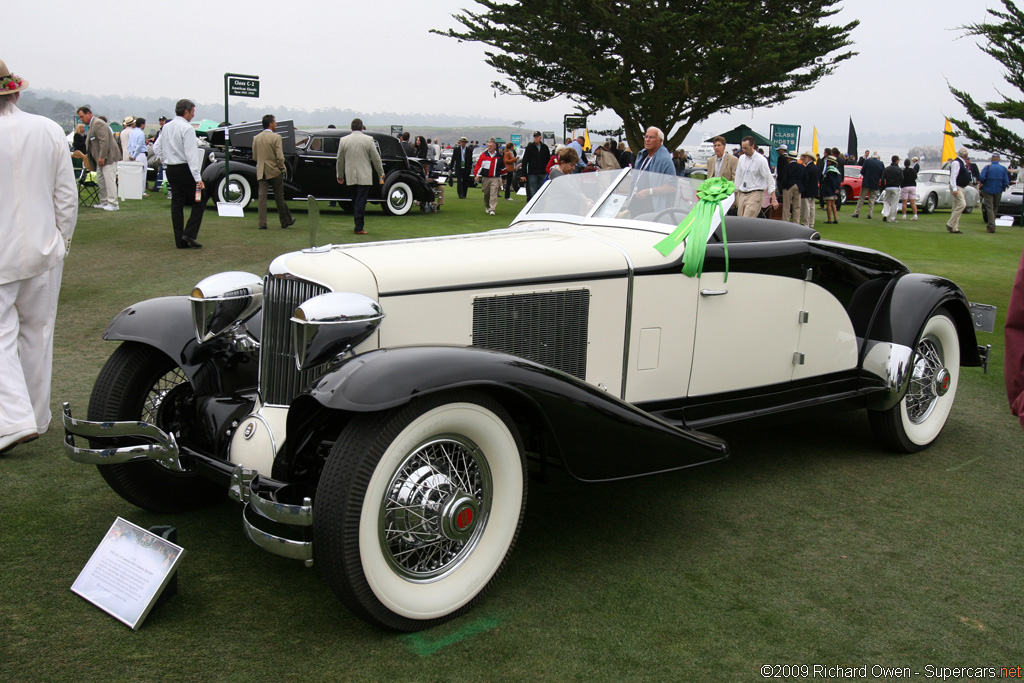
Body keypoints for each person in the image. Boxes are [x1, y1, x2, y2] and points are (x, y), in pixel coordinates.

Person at [0, 59, 78, 454]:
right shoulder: (48, 129)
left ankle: (14, 420)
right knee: (37, 333)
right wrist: (61, 242)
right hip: (44, 249)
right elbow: (67, 195)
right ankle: (34, 415)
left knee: (3, 337)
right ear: (14, 91)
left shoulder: (46, 129)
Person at [153, 99, 206, 248]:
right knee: (201, 199)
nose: (193, 115)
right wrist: (198, 178)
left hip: (171, 168)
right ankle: (189, 233)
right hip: (184, 168)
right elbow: (191, 155)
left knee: (177, 203)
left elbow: (158, 147)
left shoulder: (167, 126)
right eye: (193, 112)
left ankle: (179, 240)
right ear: (187, 111)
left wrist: (165, 161)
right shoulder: (187, 128)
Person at [335, 118, 384, 235]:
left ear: (351, 127)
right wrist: (381, 173)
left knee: (355, 200)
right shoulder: (368, 140)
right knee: (361, 201)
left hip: (350, 175)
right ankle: (358, 226)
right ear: (362, 127)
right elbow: (376, 158)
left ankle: (358, 224)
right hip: (364, 175)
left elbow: (339, 160)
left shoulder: (344, 140)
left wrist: (340, 175)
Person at [253, 114, 295, 230]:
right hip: (274, 171)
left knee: (262, 197)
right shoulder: (276, 137)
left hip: (261, 170)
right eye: (275, 123)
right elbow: (280, 157)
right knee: (279, 197)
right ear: (271, 124)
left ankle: (262, 223)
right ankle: (285, 221)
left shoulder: (256, 138)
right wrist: (282, 168)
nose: (276, 124)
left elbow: (255, 156)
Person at [76, 105, 120, 211]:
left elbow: (104, 141)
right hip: (99, 159)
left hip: (108, 157)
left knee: (109, 180)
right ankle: (104, 201)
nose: (81, 119)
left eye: (82, 117)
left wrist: (102, 157)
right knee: (100, 179)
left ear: (89, 114)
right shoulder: (92, 125)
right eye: (80, 117)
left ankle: (113, 203)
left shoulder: (98, 123)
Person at [733, 135, 778, 218]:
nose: (744, 150)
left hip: (755, 193)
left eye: (746, 148)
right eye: (742, 148)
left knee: (747, 220)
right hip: (742, 194)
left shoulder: (761, 160)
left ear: (752, 146)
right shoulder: (742, 158)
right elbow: (738, 177)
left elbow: (769, 178)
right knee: (740, 220)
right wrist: (734, 196)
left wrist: (774, 198)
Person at [979, 153, 1010, 233]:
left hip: (988, 189)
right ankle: (992, 224)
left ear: (992, 159)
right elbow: (1006, 181)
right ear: (999, 159)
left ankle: (991, 226)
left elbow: (982, 178)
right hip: (998, 190)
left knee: (989, 207)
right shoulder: (1003, 168)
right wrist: (1002, 188)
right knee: (995, 207)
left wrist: (984, 183)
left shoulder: (987, 167)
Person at [473, 138, 503, 215]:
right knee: (486, 194)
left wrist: (502, 178)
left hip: (495, 178)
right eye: (488, 146)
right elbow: (479, 165)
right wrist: (476, 175)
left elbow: (502, 167)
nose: (489, 147)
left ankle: (492, 209)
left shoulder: (499, 156)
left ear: (495, 147)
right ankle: (487, 206)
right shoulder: (484, 155)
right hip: (485, 177)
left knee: (493, 193)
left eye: (491, 146)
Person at [946, 147, 971, 234]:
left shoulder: (961, 163)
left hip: (960, 186)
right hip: (957, 186)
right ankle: (950, 223)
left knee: (956, 206)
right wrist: (954, 188)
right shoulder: (957, 162)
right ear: (965, 154)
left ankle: (954, 228)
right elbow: (953, 176)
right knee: (962, 204)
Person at [851, 152, 884, 219]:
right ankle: (870, 214)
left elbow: (862, 171)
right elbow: (882, 174)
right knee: (872, 199)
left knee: (861, 198)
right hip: (875, 183)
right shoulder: (881, 163)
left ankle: (857, 213)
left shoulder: (867, 161)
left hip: (866, 182)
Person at [520, 131, 551, 200]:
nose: (536, 138)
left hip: (543, 172)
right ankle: (533, 206)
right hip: (532, 173)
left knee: (542, 191)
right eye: (535, 137)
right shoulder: (530, 147)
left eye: (537, 137)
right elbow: (525, 161)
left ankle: (541, 206)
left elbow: (548, 160)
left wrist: (548, 171)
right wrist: (523, 174)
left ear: (540, 138)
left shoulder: (545, 147)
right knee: (532, 191)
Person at [777, 151, 803, 224]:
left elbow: (784, 178)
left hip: (788, 187)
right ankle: (796, 222)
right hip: (798, 186)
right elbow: (805, 178)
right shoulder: (801, 167)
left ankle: (785, 222)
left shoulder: (786, 167)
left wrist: (783, 186)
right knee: (797, 206)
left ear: (789, 159)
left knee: (786, 206)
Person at [799, 151, 819, 228]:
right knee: (812, 207)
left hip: (807, 190)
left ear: (809, 158)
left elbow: (806, 179)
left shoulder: (808, 168)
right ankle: (811, 222)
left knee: (806, 207)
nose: (804, 159)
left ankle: (805, 222)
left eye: (805, 157)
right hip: (814, 190)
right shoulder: (815, 167)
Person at [880, 155, 903, 222]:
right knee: (894, 203)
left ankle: (885, 214)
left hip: (888, 187)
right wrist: (898, 184)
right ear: (897, 161)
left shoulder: (887, 169)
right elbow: (902, 178)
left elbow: (882, 178)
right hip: (895, 187)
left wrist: (884, 187)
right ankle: (892, 218)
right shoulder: (899, 169)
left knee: (886, 201)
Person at [820, 156, 841, 224]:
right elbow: (837, 181)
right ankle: (835, 218)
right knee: (833, 204)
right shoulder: (836, 170)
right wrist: (837, 189)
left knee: (828, 204)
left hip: (829, 189)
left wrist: (834, 188)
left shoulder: (829, 171)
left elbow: (831, 181)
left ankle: (829, 219)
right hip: (835, 189)